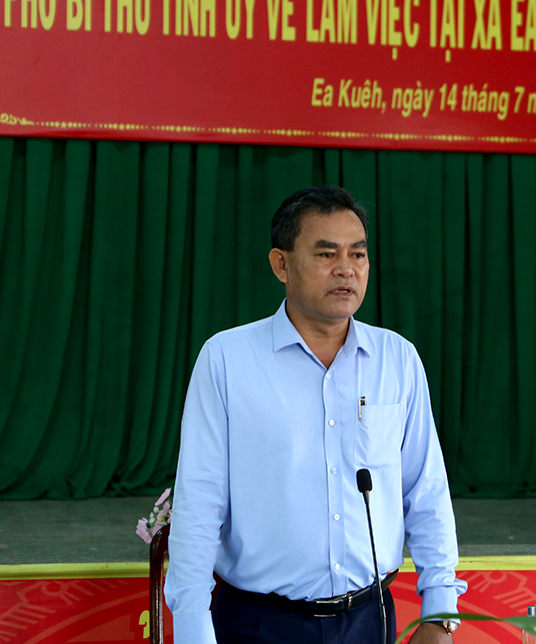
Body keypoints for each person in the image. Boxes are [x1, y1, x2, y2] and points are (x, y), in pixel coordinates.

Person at [165, 185, 466, 644]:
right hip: (259, 623)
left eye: (358, 255)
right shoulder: (227, 359)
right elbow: (199, 503)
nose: (346, 269)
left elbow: (426, 492)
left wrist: (440, 611)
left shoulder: (397, 359)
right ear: (281, 264)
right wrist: (191, 629)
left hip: (371, 619)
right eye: (327, 254)